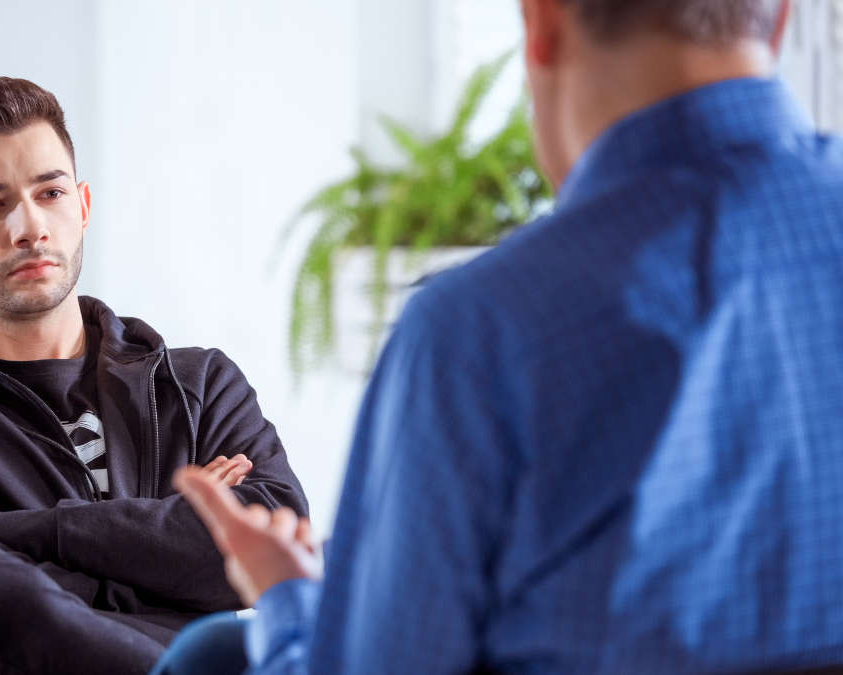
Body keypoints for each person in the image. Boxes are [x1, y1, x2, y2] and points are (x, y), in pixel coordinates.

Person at [155, 0, 843, 673]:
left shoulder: (481, 329)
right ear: (781, 16)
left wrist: (282, 597)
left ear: (542, 24)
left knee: (211, 653)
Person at [0, 72, 308, 675]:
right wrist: (162, 545)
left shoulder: (199, 385)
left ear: (84, 205)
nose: (29, 228)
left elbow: (275, 550)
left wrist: (6, 534)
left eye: (50, 193)